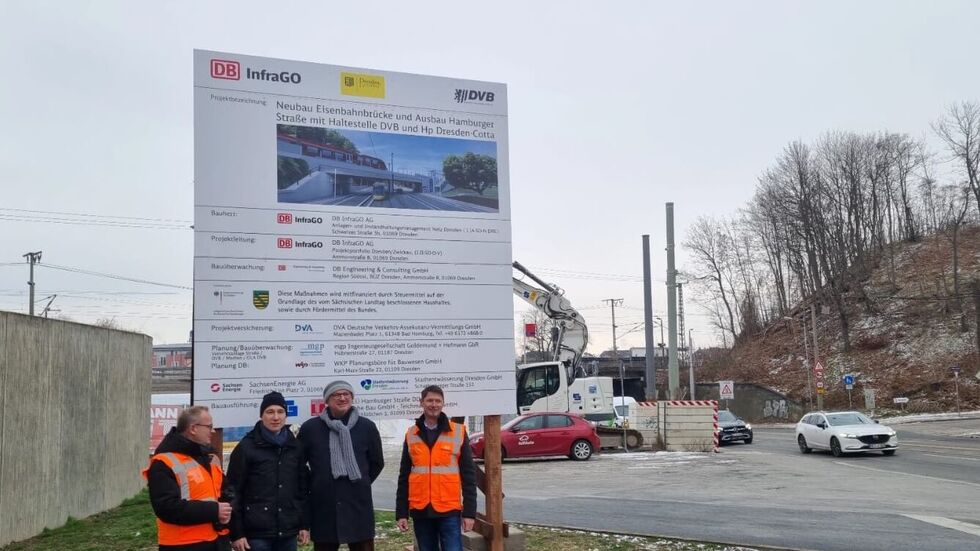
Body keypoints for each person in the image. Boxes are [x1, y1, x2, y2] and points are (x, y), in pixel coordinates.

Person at [299, 381, 384, 551]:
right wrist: (317, 482)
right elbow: (298, 465)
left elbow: (377, 462)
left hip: (358, 503)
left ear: (352, 398)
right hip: (324, 504)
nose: (342, 398)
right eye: (336, 395)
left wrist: (362, 481)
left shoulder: (366, 427)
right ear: (327, 401)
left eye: (346, 394)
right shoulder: (310, 428)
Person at [225, 392, 311, 551]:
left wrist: (304, 524)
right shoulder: (246, 447)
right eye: (270, 412)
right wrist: (236, 533)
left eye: (280, 412)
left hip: (288, 531)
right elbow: (232, 491)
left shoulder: (295, 447)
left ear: (286, 415)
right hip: (256, 533)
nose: (276, 417)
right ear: (261, 416)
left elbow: (302, 490)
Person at [396, 385, 477, 551]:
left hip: (449, 510)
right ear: (422, 403)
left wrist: (469, 513)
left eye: (438, 401)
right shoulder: (411, 434)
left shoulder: (458, 432)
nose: (434, 404)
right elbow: (404, 477)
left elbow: (469, 476)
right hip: (421, 509)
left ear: (443, 404)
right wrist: (401, 513)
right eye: (429, 400)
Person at [144, 405, 234, 551]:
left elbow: (224, 492)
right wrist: (214, 510)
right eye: (209, 426)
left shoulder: (209, 458)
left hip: (216, 540)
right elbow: (166, 507)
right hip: (182, 545)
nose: (212, 431)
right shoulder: (163, 462)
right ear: (193, 429)